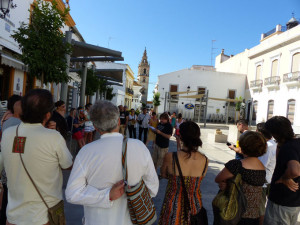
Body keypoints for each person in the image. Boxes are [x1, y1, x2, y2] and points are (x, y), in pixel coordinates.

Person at [65, 100, 159, 225]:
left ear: (95, 126)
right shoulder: (140, 147)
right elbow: (153, 189)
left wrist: (107, 195)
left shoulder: (86, 152)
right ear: (119, 122)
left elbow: (72, 194)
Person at [0, 89, 73, 225]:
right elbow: (68, 164)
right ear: (47, 115)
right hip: (44, 216)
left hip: (13, 216)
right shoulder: (53, 137)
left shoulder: (8, 133)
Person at [159, 121, 208, 225]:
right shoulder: (205, 160)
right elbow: (201, 177)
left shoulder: (170, 157)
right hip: (195, 206)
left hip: (172, 205)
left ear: (180, 136)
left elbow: (163, 174)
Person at [215, 131, 266, 225]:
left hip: (235, 213)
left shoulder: (236, 165)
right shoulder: (261, 166)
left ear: (243, 145)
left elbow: (218, 178)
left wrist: (226, 183)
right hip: (253, 216)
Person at [263, 116, 300, 225]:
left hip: (281, 202)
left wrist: (284, 177)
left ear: (275, 133)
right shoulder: (296, 143)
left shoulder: (289, 147)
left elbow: (294, 171)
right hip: (293, 201)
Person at [0, 97, 22, 225]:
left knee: (6, 200)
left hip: (5, 163)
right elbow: (18, 148)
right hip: (13, 170)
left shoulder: (6, 118)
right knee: (11, 203)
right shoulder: (18, 124)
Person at [256, 122, 277, 225]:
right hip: (271, 178)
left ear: (259, 133)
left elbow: (262, 165)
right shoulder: (274, 144)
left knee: (260, 208)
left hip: (264, 181)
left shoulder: (267, 146)